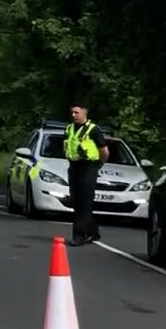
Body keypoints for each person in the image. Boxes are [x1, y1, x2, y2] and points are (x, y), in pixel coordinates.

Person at [63, 104, 106, 246]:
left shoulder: (93, 130)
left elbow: (104, 151)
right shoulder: (69, 129)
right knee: (75, 201)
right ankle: (93, 231)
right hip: (74, 166)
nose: (74, 115)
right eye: (72, 112)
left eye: (76, 112)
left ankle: (79, 236)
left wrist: (98, 165)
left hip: (88, 167)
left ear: (84, 113)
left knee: (84, 203)